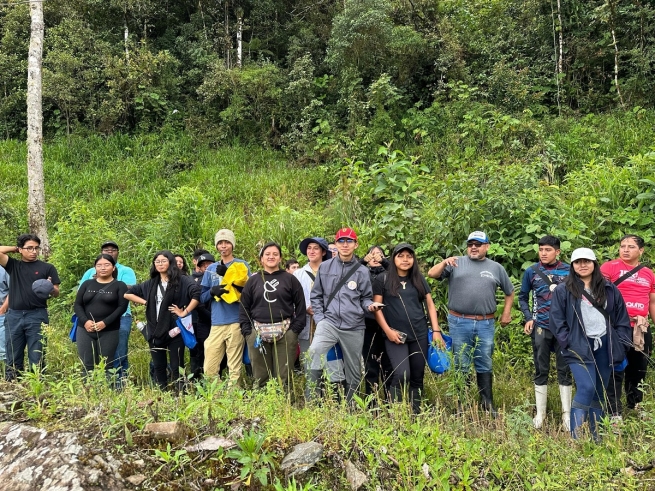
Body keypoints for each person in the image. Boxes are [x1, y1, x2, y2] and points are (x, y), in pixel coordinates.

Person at [428, 231, 514, 416]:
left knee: (484, 361)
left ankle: (487, 403)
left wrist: (506, 313)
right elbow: (431, 274)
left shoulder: (496, 268)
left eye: (478, 244)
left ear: (487, 246)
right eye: (470, 244)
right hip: (459, 321)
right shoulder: (455, 263)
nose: (473, 247)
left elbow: (509, 291)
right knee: (461, 362)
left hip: (486, 323)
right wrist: (444, 261)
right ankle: (462, 404)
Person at [549, 248, 632, 440]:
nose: (582, 265)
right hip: (577, 346)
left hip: (604, 344)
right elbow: (556, 320)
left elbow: (621, 318)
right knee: (586, 387)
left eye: (587, 261)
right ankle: (575, 438)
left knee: (598, 391)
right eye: (578, 262)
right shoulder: (564, 290)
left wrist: (620, 342)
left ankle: (596, 437)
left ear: (595, 263)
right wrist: (567, 342)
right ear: (572, 266)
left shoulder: (609, 288)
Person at [306, 228, 384, 402]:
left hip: (354, 325)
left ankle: (351, 407)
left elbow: (365, 298)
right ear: (336, 244)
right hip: (329, 322)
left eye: (349, 241)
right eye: (341, 241)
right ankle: (312, 401)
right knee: (314, 352)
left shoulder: (362, 271)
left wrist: (370, 306)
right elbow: (316, 295)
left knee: (354, 370)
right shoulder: (325, 267)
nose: (345, 244)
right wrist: (320, 319)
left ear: (356, 245)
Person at [373, 243, 444, 413]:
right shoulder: (382, 279)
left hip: (419, 333)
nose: (405, 260)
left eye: (409, 256)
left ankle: (416, 413)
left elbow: (430, 304)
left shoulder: (418, 279)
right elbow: (377, 308)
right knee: (402, 374)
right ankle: (395, 413)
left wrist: (436, 330)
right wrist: (388, 331)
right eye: (401, 256)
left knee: (418, 376)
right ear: (393, 258)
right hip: (395, 335)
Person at [124, 250, 200, 390]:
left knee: (177, 366)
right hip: (154, 329)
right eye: (157, 261)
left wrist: (185, 312)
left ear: (170, 262)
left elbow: (196, 293)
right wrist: (147, 303)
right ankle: (163, 393)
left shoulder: (181, 280)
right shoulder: (151, 283)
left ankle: (180, 394)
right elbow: (128, 294)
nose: (160, 264)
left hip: (174, 328)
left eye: (164, 261)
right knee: (159, 366)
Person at [518, 235, 572, 429]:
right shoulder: (531, 271)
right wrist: (528, 317)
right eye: (541, 250)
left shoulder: (569, 270)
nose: (543, 253)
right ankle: (540, 414)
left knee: (564, 369)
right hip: (540, 326)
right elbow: (523, 297)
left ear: (557, 251)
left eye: (548, 250)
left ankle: (567, 415)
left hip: (564, 329)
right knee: (541, 369)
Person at [600, 234, 655, 419]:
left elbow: (652, 302)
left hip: (640, 327)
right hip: (616, 327)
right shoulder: (609, 267)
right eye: (622, 246)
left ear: (641, 250)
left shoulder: (648, 273)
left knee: (639, 367)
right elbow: (597, 293)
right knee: (616, 367)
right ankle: (613, 409)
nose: (625, 249)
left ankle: (635, 404)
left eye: (631, 246)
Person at [239, 242, 306, 389]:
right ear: (261, 259)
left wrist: (293, 331)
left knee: (283, 376)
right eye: (267, 254)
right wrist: (248, 332)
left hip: (285, 331)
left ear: (280, 258)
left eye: (275, 254)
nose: (271, 257)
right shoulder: (253, 281)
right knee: (261, 375)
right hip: (257, 333)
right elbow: (244, 308)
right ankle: (263, 406)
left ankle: (284, 406)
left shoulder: (290, 279)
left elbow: (301, 306)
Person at [0, 234, 60, 380]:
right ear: (21, 249)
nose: (33, 251)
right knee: (13, 354)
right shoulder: (14, 266)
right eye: (29, 248)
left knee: (37, 354)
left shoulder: (47, 268)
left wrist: (50, 288)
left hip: (37, 315)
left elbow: (57, 293)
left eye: (36, 248)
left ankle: (37, 386)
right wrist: (16, 249)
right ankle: (14, 385)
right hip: (14, 315)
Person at [80, 240, 136, 385]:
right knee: (90, 357)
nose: (109, 252)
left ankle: (119, 385)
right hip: (89, 320)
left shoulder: (126, 270)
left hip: (120, 318)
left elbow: (130, 289)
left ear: (118, 253)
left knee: (118, 353)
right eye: (106, 249)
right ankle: (92, 387)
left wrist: (108, 282)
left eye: (113, 249)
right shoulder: (89, 273)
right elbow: (80, 295)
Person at [294, 237, 345, 386]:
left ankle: (332, 397)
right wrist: (304, 309)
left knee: (333, 362)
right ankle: (314, 398)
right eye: (309, 248)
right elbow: (292, 300)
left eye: (316, 248)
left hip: (331, 323)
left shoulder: (335, 271)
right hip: (307, 325)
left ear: (323, 252)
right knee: (310, 363)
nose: (311, 251)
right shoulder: (299, 274)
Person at [201, 229, 250, 384]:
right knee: (209, 366)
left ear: (232, 245)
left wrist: (229, 273)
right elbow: (202, 297)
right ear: (216, 246)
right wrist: (211, 291)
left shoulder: (241, 265)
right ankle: (215, 397)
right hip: (216, 322)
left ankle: (233, 399)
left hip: (236, 320)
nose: (223, 246)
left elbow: (249, 291)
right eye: (220, 243)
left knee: (234, 366)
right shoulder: (210, 269)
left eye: (227, 242)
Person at [74, 254, 129, 379]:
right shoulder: (87, 284)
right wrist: (85, 321)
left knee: (107, 365)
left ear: (113, 268)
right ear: (95, 268)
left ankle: (106, 394)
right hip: (85, 329)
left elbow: (122, 308)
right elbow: (77, 305)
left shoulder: (120, 286)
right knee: (87, 365)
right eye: (99, 265)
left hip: (109, 330)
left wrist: (105, 322)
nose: (103, 268)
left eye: (107, 265)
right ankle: (88, 393)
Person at [360, 245, 392, 397]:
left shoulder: (389, 274)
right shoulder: (361, 273)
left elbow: (398, 271)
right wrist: (361, 261)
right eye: (371, 255)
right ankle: (371, 400)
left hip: (388, 324)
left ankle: (390, 400)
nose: (375, 257)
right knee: (370, 364)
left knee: (388, 363)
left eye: (379, 255)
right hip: (368, 324)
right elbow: (347, 274)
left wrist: (385, 261)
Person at [189, 252, 215, 380]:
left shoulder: (219, 278)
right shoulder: (196, 282)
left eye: (209, 264)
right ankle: (199, 382)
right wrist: (210, 318)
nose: (206, 266)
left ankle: (217, 378)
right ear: (199, 267)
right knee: (201, 352)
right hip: (203, 322)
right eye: (203, 265)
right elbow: (198, 304)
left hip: (221, 322)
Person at [0, 265, 9, 364]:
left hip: (2, 312)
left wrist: (3, 309)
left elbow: (12, 291)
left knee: (3, 349)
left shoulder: (4, 270)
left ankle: (7, 375)